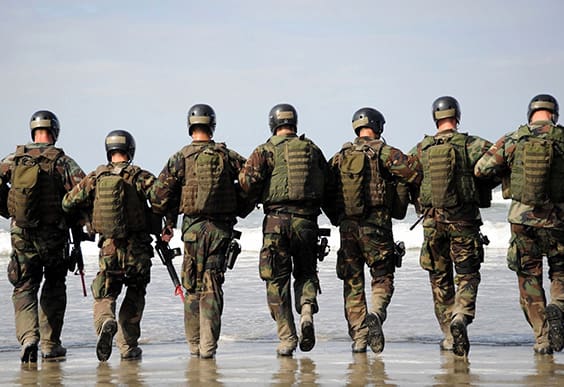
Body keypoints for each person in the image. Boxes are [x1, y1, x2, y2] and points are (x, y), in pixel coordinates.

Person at [150, 104, 251, 359]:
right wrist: (241, 207)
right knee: (212, 285)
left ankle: (194, 345)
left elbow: (159, 196)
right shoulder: (227, 156)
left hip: (193, 231)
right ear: (212, 126)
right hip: (220, 231)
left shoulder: (180, 157)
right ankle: (208, 347)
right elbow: (253, 179)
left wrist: (169, 222)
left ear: (190, 126)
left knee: (192, 287)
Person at [238, 103, 331, 356]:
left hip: (276, 223)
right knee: (306, 273)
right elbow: (328, 184)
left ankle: (287, 338)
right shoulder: (312, 150)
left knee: (276, 281)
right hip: (307, 224)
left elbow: (246, 184)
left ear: (273, 123)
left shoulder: (265, 150)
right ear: (295, 123)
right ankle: (307, 311)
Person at [475, 94, 564, 355]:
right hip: (559, 221)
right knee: (560, 271)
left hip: (522, 221)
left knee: (529, 278)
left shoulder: (514, 138)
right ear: (554, 114)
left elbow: (481, 169)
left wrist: (509, 170)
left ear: (530, 113)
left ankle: (542, 338)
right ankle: (558, 306)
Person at [327, 107, 421, 353]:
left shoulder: (340, 156)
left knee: (352, 282)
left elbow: (326, 189)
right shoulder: (386, 153)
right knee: (382, 276)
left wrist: (338, 218)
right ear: (378, 126)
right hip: (377, 225)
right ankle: (377, 314)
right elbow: (414, 174)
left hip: (348, 228)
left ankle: (359, 339)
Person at [409, 96, 497, 357]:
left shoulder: (421, 148)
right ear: (457, 116)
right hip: (464, 222)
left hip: (432, 224)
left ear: (435, 118)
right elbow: (497, 164)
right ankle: (461, 315)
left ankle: (448, 334)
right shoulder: (472, 144)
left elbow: (408, 176)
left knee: (439, 278)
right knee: (467, 275)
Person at [62, 130, 156, 361]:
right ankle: (128, 346)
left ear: (109, 150)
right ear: (130, 150)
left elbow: (67, 202)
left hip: (108, 248)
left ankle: (106, 320)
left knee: (106, 293)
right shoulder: (140, 176)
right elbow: (162, 198)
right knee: (135, 292)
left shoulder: (95, 177)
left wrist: (87, 216)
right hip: (137, 249)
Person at [0, 110, 85, 363]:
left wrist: (8, 209)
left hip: (22, 233)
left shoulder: (14, 158)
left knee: (24, 286)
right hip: (54, 236)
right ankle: (50, 344)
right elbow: (82, 191)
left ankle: (28, 338)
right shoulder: (62, 161)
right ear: (55, 131)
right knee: (54, 286)